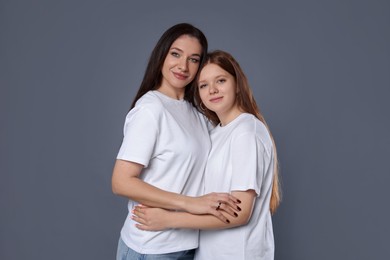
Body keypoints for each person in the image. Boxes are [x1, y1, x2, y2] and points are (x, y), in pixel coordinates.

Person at [132, 50, 282, 260]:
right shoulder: (217, 132)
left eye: (220, 80)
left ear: (237, 84)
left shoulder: (246, 132)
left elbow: (240, 214)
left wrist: (168, 220)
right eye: (203, 85)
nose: (212, 90)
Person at [112, 25, 240, 260]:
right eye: (176, 54)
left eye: (193, 59)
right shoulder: (150, 109)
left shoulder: (198, 112)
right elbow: (121, 182)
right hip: (151, 247)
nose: (183, 66)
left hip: (188, 245)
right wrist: (191, 204)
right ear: (162, 54)